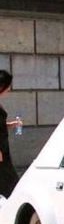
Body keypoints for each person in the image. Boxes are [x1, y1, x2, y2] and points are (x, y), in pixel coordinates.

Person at [0, 70, 22, 198]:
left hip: (4, 151)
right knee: (12, 186)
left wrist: (12, 124)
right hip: (1, 153)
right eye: (8, 86)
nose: (9, 89)